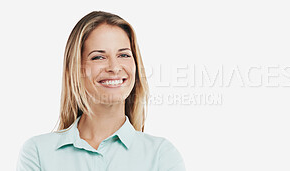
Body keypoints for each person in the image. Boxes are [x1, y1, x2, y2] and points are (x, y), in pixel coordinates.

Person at [16, 11, 185, 171]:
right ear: (76, 69)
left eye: (124, 55)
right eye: (98, 57)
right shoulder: (38, 152)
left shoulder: (161, 155)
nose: (114, 67)